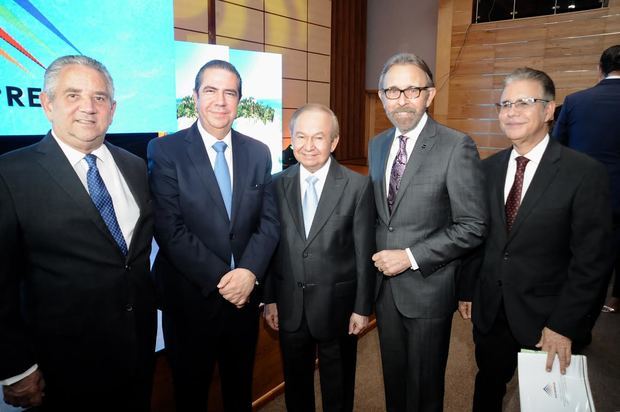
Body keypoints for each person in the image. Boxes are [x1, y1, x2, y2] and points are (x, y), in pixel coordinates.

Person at [0, 55, 157, 411]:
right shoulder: (9, 175)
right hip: (64, 365)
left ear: (113, 109)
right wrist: (14, 366)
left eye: (99, 97)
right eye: (73, 95)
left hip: (137, 349)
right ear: (47, 103)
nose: (88, 107)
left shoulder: (134, 166)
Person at [458, 67, 613, 412]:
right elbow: (478, 236)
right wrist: (468, 289)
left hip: (547, 316)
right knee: (488, 384)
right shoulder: (486, 170)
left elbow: (592, 262)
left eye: (524, 102)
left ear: (548, 110)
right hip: (492, 309)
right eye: (505, 104)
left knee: (545, 400)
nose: (511, 111)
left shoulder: (584, 173)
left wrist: (564, 324)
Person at [148, 59, 279, 411]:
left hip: (244, 301)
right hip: (191, 300)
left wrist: (248, 274)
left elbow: (269, 223)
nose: (220, 101)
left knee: (239, 391)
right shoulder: (165, 151)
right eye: (210, 90)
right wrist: (227, 281)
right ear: (195, 96)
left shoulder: (258, 152)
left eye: (229, 92)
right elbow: (170, 230)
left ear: (239, 100)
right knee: (190, 394)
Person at [368, 52, 487, 412]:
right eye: (392, 91)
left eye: (412, 89)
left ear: (430, 95)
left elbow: (473, 225)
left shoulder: (456, 145)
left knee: (424, 387)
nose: (402, 99)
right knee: (394, 380)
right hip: (384, 290)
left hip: (428, 289)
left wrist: (410, 257)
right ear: (381, 97)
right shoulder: (378, 145)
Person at [263, 104, 375, 412]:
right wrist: (270, 298)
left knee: (337, 387)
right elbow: (271, 247)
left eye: (318, 137)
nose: (308, 146)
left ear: (334, 142)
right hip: (290, 306)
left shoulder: (358, 186)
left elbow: (364, 252)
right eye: (300, 137)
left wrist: (362, 308)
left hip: (338, 308)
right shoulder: (276, 184)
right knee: (296, 386)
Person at [553, 44, 620, 314]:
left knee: (574, 255)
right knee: (603, 261)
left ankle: (568, 316)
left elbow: (556, 146)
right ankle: (600, 308)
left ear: (599, 69)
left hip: (577, 192)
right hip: (618, 200)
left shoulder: (575, 101)